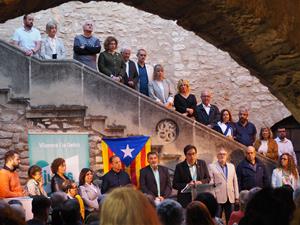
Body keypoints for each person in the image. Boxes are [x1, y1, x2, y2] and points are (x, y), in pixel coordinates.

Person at [208, 147, 239, 224]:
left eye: (224, 154)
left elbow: (235, 181)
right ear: (217, 156)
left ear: (226, 155)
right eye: (220, 154)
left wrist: (237, 196)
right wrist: (213, 196)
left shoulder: (232, 166)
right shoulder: (212, 166)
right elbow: (211, 182)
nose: (222, 156)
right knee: (217, 220)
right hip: (218, 197)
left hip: (230, 197)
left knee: (231, 220)